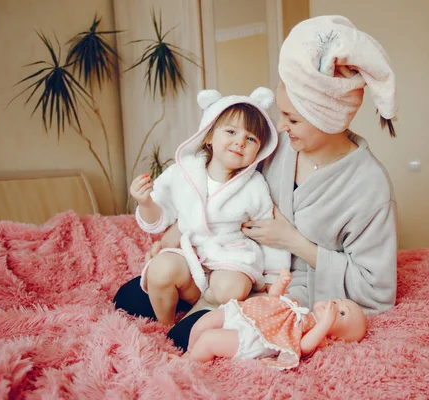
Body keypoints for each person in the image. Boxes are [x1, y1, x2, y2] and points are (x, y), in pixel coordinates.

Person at [114, 14, 398, 352]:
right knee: (128, 298)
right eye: (281, 113)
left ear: (327, 119)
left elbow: (377, 290)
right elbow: (217, 194)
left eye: (292, 119)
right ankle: (199, 294)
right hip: (224, 257)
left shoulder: (369, 186)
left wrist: (294, 242)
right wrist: (175, 232)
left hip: (288, 286)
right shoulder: (275, 150)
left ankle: (212, 304)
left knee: (184, 339)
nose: (280, 125)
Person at [122, 87, 290, 326]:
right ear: (209, 136)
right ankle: (166, 326)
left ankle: (199, 310)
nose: (240, 142)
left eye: (251, 138)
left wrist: (273, 277)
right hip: (191, 254)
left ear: (259, 150)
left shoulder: (254, 185)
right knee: (159, 271)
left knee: (230, 288)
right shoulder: (184, 171)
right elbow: (158, 218)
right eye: (231, 131)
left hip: (231, 257)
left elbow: (269, 233)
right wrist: (145, 202)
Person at [183, 269, 366, 369]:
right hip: (244, 314)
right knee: (203, 323)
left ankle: (190, 364)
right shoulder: (299, 307)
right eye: (338, 301)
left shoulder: (317, 334)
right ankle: (189, 352)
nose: (334, 305)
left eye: (341, 313)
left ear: (336, 338)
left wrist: (325, 323)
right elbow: (274, 300)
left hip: (256, 336)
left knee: (209, 339)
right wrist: (281, 284)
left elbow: (303, 347)